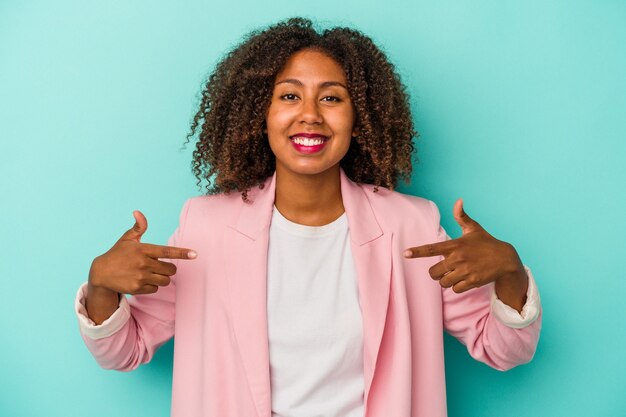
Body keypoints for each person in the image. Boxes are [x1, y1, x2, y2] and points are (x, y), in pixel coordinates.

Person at [75, 17, 541, 417]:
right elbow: (125, 350)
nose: (311, 115)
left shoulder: (412, 226)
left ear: (360, 119)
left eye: (332, 98)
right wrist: (101, 286)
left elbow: (505, 350)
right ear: (261, 113)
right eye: (290, 96)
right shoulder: (206, 227)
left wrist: (509, 272)